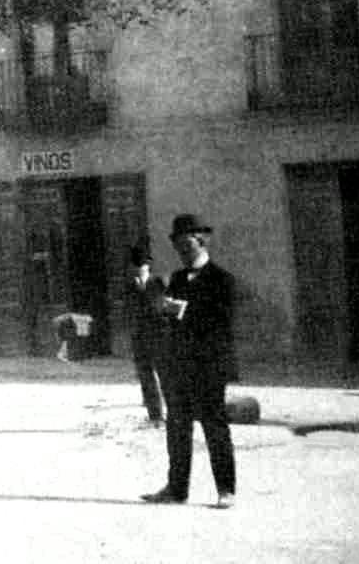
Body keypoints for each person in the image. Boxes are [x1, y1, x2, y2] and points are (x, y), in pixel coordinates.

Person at [142, 214, 238, 509]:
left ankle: (226, 489)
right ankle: (176, 488)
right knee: (178, 426)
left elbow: (223, 322)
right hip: (180, 365)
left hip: (209, 365)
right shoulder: (178, 279)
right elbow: (167, 319)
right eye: (177, 245)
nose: (182, 250)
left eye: (187, 244)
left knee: (214, 426)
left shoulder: (222, 279)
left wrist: (186, 312)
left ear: (202, 241)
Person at [126, 244, 168, 425]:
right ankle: (155, 415)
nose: (138, 269)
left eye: (141, 265)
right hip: (139, 337)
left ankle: (176, 412)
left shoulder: (158, 282)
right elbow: (129, 311)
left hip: (157, 335)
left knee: (165, 375)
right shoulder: (129, 286)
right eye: (136, 265)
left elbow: (167, 308)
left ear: (148, 266)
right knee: (145, 376)